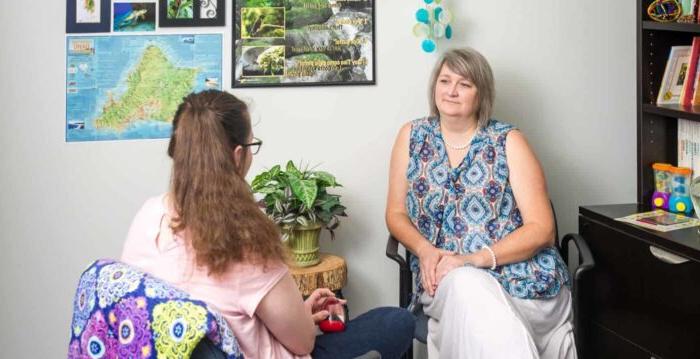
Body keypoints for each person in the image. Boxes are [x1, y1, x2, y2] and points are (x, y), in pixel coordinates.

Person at [121, 90, 414, 359]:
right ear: (238, 156)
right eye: (251, 145)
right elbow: (302, 343)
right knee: (397, 321)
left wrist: (300, 313)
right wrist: (303, 323)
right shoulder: (243, 237)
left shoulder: (150, 215)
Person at [385, 48, 576, 358]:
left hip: (523, 278)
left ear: (482, 94)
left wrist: (472, 259)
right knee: (466, 287)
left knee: (471, 289)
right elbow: (395, 213)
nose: (451, 91)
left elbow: (542, 230)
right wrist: (425, 250)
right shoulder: (412, 136)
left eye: (465, 84)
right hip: (444, 273)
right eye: (445, 80)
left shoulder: (508, 141)